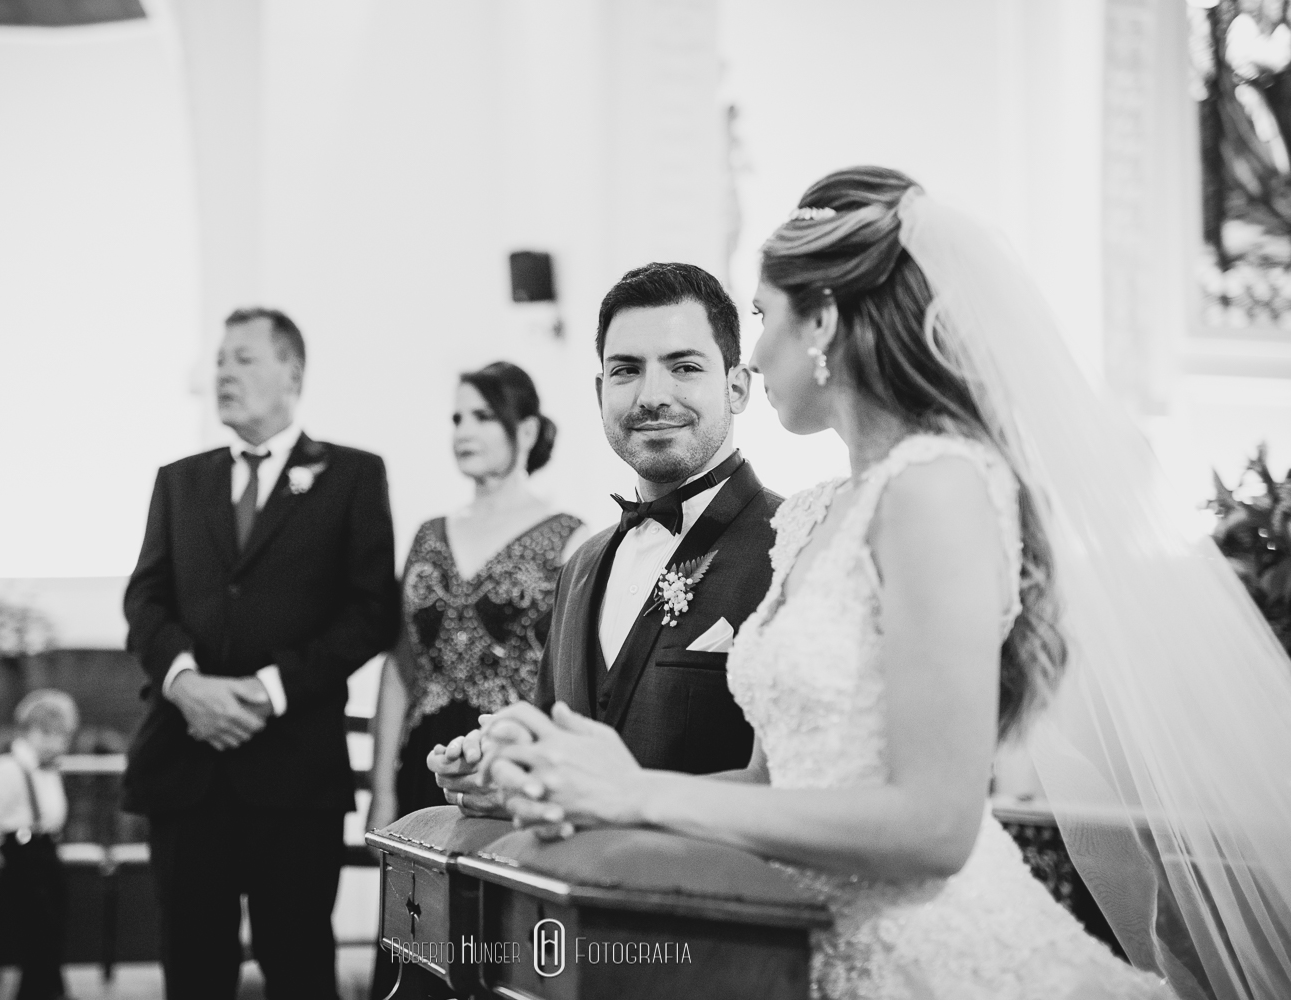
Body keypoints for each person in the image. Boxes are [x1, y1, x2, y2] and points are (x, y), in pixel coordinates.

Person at [471, 165, 1291, 999]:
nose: (751, 353)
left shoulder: (939, 486)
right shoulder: (815, 516)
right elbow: (766, 783)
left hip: (937, 962)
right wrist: (587, 787)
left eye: (763, 317)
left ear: (822, 318)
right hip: (803, 952)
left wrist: (641, 793)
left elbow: (935, 827)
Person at [430, 263, 783, 816]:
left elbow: (797, 787)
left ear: (736, 387)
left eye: (684, 366)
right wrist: (499, 781)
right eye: (625, 371)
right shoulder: (582, 566)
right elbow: (559, 769)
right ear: (601, 392)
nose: (651, 395)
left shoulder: (791, 547)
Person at [122, 306, 400, 1000]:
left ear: (292, 373)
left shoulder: (351, 477)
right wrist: (186, 683)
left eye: (243, 358)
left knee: (300, 962)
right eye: (220, 360)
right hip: (185, 766)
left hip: (292, 770)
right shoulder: (180, 481)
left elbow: (370, 613)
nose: (224, 372)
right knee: (192, 968)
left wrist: (267, 691)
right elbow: (145, 600)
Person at [365, 361, 583, 998]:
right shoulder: (430, 534)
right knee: (411, 944)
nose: (464, 430)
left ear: (528, 429)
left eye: (482, 415)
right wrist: (381, 790)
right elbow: (401, 665)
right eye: (457, 417)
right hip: (421, 760)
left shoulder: (570, 539)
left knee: (493, 948)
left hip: (505, 763)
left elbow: (567, 679)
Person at [0, 690, 78, 1000]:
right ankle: (36, 993)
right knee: (37, 929)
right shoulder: (9, 768)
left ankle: (52, 989)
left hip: (47, 849)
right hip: (21, 852)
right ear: (26, 732)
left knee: (56, 922)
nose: (54, 743)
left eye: (61, 736)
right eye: (45, 734)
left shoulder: (50, 768)